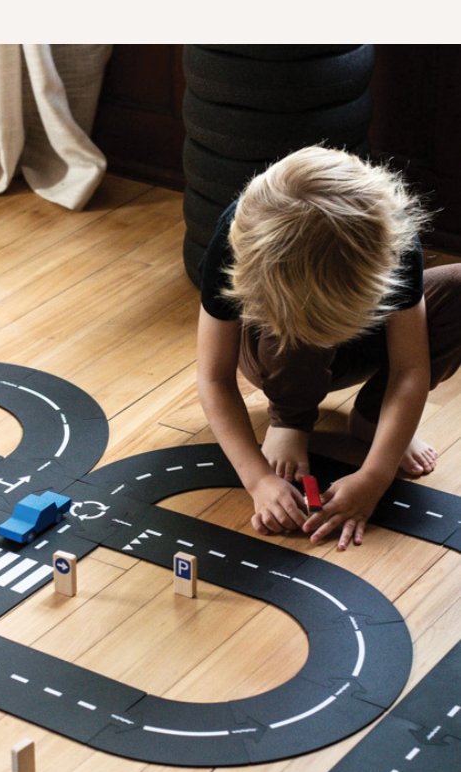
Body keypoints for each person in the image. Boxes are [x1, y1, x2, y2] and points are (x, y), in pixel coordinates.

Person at [195, 144, 461, 551]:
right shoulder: (239, 236)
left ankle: (374, 418)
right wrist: (258, 480)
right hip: (274, 351)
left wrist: (374, 477)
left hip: (362, 340)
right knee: (298, 321)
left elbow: (410, 368)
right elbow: (213, 377)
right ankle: (291, 418)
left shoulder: (388, 234)